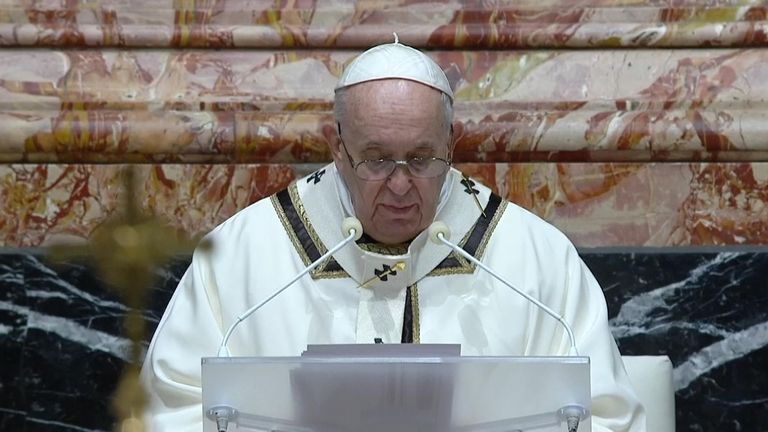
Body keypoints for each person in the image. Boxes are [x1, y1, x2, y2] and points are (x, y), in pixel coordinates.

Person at [140, 39, 646, 431]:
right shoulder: (241, 258)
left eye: (423, 159)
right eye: (377, 160)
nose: (401, 185)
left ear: (453, 142)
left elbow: (604, 416)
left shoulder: (535, 261)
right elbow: (172, 409)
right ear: (336, 146)